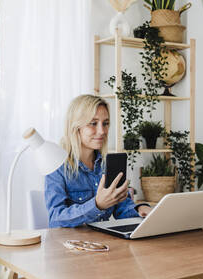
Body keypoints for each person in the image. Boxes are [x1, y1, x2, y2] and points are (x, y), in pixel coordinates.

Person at [44, 94, 151, 228]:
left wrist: (140, 210)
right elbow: (55, 219)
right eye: (93, 123)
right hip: (71, 245)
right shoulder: (58, 166)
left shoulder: (108, 164)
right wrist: (97, 205)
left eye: (105, 123)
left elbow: (122, 208)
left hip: (104, 241)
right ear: (76, 127)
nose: (102, 131)